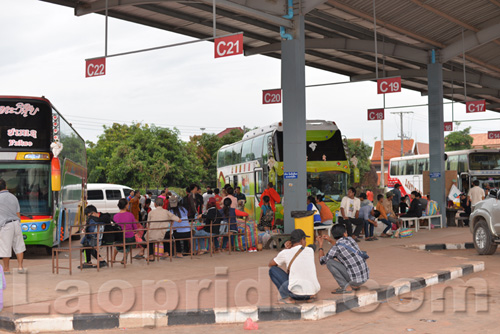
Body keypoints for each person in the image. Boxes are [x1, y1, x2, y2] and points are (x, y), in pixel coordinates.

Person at [268, 229, 320, 304]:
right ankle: (308, 297)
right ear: (302, 240)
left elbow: (271, 264)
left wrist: (287, 248)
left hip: (296, 294)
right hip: (312, 292)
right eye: (305, 239)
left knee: (272, 270)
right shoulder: (310, 250)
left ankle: (287, 298)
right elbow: (312, 246)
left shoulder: (285, 252)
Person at [318, 224, 369, 294]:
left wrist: (320, 245)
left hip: (356, 280)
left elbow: (322, 261)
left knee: (329, 262)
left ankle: (345, 287)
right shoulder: (351, 239)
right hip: (364, 278)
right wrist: (330, 240)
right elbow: (340, 245)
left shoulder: (335, 248)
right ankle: (355, 286)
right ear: (345, 234)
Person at [0, 179, 26, 274]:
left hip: (6, 226)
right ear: (6, 186)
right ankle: (20, 267)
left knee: (5, 247)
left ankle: (6, 269)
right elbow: (17, 213)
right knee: (19, 246)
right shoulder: (13, 197)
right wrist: (18, 224)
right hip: (16, 224)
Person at [112, 199, 139, 264]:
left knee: (118, 243)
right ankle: (125, 257)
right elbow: (135, 228)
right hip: (129, 238)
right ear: (126, 205)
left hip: (118, 238)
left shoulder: (115, 216)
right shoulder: (130, 215)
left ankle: (113, 258)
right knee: (130, 243)